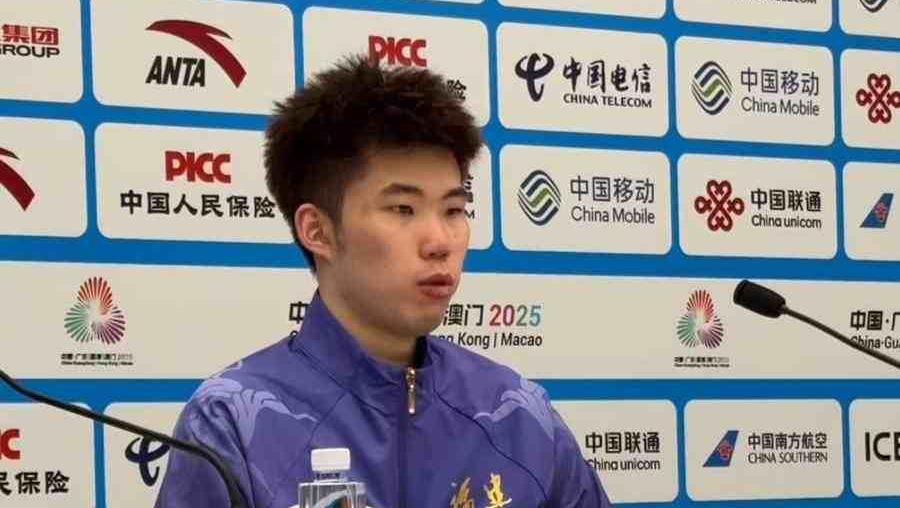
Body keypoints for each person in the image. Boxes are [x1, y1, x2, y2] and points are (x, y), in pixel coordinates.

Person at [155, 54, 612, 508]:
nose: (440, 241)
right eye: (402, 209)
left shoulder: (519, 416)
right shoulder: (232, 424)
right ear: (318, 231)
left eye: (454, 210)